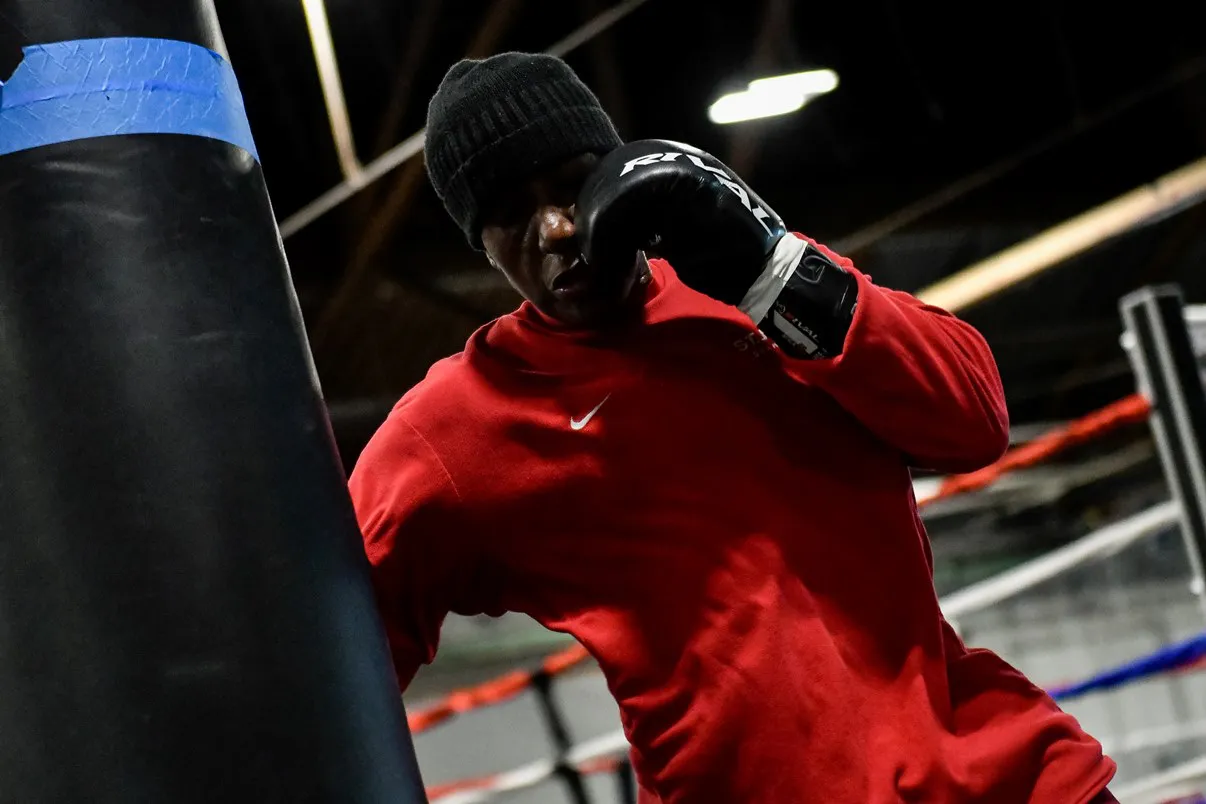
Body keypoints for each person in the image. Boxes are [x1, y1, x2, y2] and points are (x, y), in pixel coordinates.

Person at [348, 52, 1118, 804]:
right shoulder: (461, 424)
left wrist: (771, 268)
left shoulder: (750, 287)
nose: (553, 228)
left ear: (617, 171)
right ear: (480, 245)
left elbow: (975, 419)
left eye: (573, 184)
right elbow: (326, 663)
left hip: (997, 774)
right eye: (510, 213)